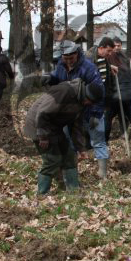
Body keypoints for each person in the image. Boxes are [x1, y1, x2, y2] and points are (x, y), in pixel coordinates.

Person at [23, 80, 102, 195]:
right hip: (38, 125)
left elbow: (77, 127)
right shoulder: (65, 92)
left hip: (54, 127)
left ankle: (73, 189)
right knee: (52, 160)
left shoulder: (81, 102)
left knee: (69, 156)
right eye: (90, 101)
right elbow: (43, 112)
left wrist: (81, 148)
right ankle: (42, 193)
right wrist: (43, 136)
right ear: (86, 95)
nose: (89, 104)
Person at [46, 41, 109, 179]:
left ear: (77, 54)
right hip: (70, 112)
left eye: (71, 58)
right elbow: (58, 80)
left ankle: (102, 173)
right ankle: (72, 172)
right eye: (66, 58)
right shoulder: (61, 66)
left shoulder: (88, 68)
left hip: (91, 110)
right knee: (69, 143)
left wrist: (95, 113)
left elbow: (99, 91)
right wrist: (50, 79)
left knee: (98, 141)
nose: (69, 61)